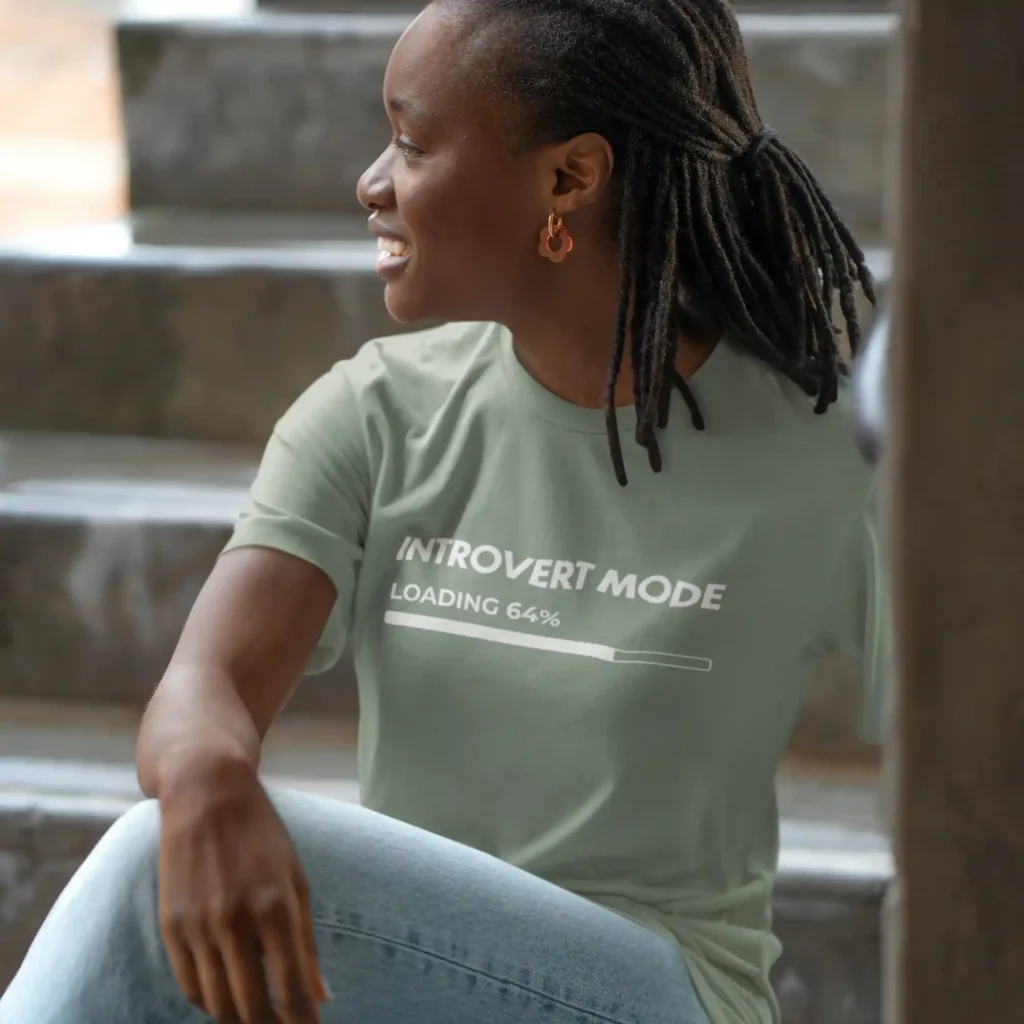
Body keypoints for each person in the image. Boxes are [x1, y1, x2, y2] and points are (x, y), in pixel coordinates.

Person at [0, 1, 888, 1023]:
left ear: (569, 179)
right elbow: (206, 682)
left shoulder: (818, 459)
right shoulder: (379, 414)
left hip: (652, 992)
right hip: (405, 988)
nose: (371, 182)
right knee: (177, 853)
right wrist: (204, 776)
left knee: (142, 880)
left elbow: (978, 763)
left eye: (413, 144)